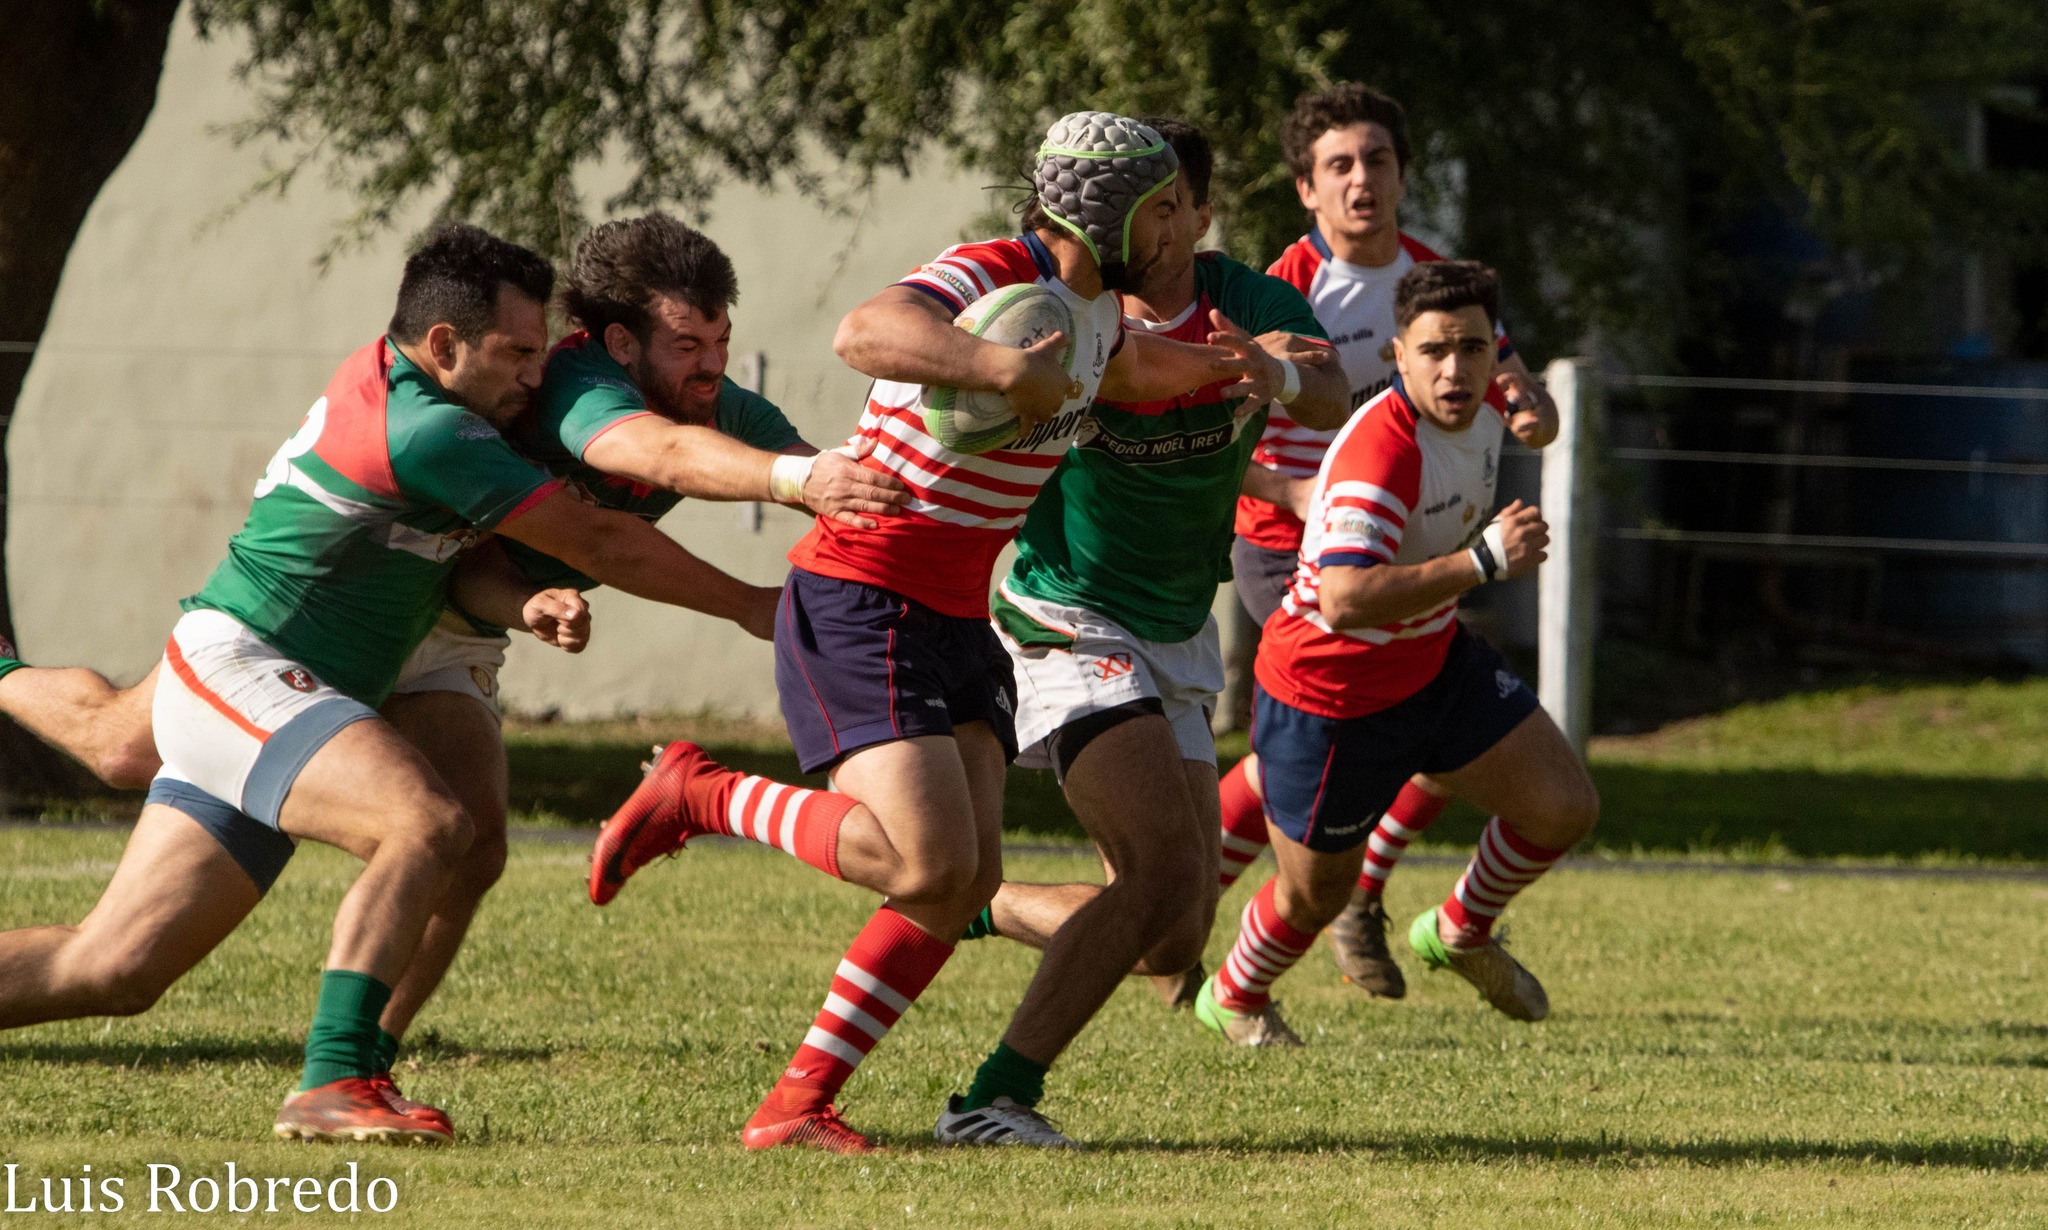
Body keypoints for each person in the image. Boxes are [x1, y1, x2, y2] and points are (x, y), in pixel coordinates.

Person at [0, 223, 798, 1143]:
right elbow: (600, 541)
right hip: (247, 671)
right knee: (421, 822)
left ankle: (357, 1067)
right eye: (519, 355)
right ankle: (337, 1080)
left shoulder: (435, 398)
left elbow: (459, 568)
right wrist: (749, 604)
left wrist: (523, 602)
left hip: (299, 687)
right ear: (445, 345)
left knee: (114, 971)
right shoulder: (428, 430)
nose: (537, 378)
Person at [590, 111, 1267, 1153]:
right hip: (862, 595)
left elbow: (1126, 375)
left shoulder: (1093, 316)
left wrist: (1235, 366)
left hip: (956, 612)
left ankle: (794, 1108)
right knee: (922, 863)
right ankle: (705, 793)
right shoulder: (990, 268)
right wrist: (1001, 372)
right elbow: (863, 331)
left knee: (963, 884)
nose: (1180, 231)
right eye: (1164, 208)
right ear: (1108, 211)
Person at [943, 117, 1351, 1119]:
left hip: (1178, 627)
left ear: (1199, 215)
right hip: (1066, 612)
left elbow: (1333, 389)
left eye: (1173, 204)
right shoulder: (1066, 311)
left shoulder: (1251, 301)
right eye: (1142, 204)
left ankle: (976, 903)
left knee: (1172, 938)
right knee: (1159, 864)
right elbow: (974, 409)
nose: (1156, 223)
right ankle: (994, 1099)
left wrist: (1277, 373)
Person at [1196, 260, 1597, 1048]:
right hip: (1330, 695)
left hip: (1432, 661)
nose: (1456, 369)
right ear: (1398, 356)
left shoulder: (1485, 402)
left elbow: (1535, 420)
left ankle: (1457, 930)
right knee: (1314, 898)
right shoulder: (1382, 454)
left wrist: (1533, 412)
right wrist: (1484, 562)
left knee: (1563, 807)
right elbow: (1344, 602)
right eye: (1437, 351)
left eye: (1475, 350)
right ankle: (1235, 991)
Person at [1218, 83, 1559, 999]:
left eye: (1376, 160)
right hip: (1288, 544)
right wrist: (1294, 487)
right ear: (1307, 189)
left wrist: (1530, 413)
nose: (1361, 179)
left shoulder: (1433, 289)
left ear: (1403, 175)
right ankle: (1234, 910)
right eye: (1339, 165)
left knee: (1426, 723)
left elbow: (1524, 396)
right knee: (1354, 711)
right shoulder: (1279, 291)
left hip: (1405, 535)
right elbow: (1210, 443)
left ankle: (1341, 895)